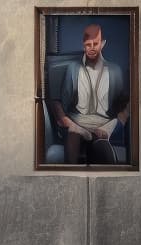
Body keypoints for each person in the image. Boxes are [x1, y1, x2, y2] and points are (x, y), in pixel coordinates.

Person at [49, 24, 129, 163]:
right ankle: (71, 178)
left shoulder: (115, 71)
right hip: (78, 123)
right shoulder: (73, 69)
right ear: (83, 45)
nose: (91, 48)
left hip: (105, 124)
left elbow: (122, 105)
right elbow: (62, 102)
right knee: (73, 134)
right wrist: (70, 124)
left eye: (95, 44)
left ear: (102, 44)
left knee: (102, 145)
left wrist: (110, 127)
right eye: (88, 44)